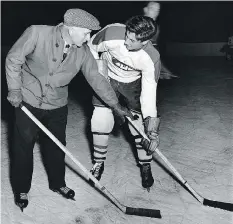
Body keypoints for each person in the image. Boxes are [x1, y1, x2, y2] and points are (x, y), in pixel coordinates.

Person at [5, 8, 133, 211]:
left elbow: (96, 78)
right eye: (86, 32)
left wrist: (115, 105)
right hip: (27, 100)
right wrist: (14, 89)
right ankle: (21, 189)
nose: (89, 37)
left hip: (57, 104)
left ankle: (58, 184)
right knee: (23, 147)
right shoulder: (37, 33)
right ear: (71, 29)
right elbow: (14, 59)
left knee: (57, 146)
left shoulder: (82, 51)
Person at [88, 15, 161, 191]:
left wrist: (151, 128)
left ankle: (145, 164)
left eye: (132, 40)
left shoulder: (151, 58)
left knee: (139, 125)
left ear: (145, 42)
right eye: (127, 35)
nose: (126, 41)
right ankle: (98, 163)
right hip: (108, 78)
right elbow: (90, 47)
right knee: (100, 120)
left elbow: (149, 95)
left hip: (132, 85)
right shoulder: (112, 33)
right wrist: (98, 70)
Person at [143, 1, 178, 80]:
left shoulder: (156, 26)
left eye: (157, 10)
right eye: (152, 9)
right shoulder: (137, 24)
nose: (155, 13)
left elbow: (153, 50)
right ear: (145, 9)